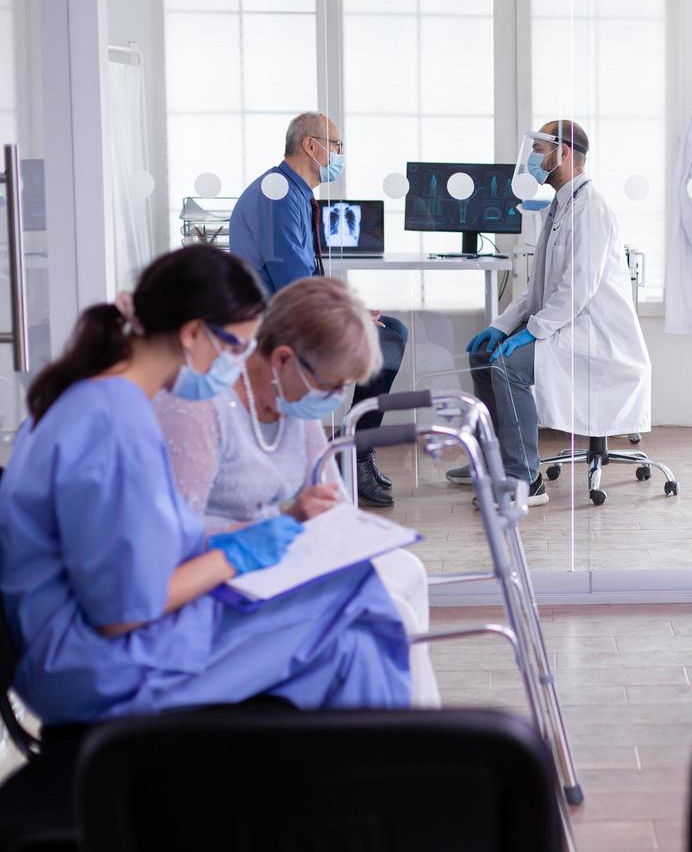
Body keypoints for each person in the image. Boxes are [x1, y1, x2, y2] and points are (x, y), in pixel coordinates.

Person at [0, 245, 411, 723]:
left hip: (95, 644)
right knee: (357, 603)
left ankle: (359, 783)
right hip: (94, 665)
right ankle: (390, 782)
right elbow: (124, 612)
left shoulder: (95, 400)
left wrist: (249, 539)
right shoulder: (115, 424)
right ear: (194, 333)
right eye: (236, 349)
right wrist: (235, 554)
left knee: (354, 646)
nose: (237, 367)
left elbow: (137, 555)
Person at [155, 276, 440, 707]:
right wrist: (285, 522)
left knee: (407, 570)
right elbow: (173, 539)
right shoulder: (201, 406)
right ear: (285, 359)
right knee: (390, 613)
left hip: (273, 553)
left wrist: (334, 523)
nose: (337, 398)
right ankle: (405, 744)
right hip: (217, 571)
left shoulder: (291, 398)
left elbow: (330, 494)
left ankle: (417, 734)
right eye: (332, 387)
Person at [455, 120, 651, 506]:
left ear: (563, 153)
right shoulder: (560, 206)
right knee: (482, 355)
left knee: (506, 366)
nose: (533, 158)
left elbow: (576, 290)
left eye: (539, 150)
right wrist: (502, 326)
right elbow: (537, 288)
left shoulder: (591, 210)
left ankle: (525, 478)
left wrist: (532, 332)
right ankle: (493, 462)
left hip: (594, 337)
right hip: (567, 325)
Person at [229, 111, 405, 507]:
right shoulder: (277, 196)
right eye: (337, 146)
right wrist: (347, 317)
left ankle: (355, 450)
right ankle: (354, 454)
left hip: (290, 309)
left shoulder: (293, 193)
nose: (340, 155)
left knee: (390, 329)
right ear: (312, 145)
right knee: (389, 340)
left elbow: (305, 272)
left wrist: (351, 309)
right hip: (276, 322)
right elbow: (293, 283)